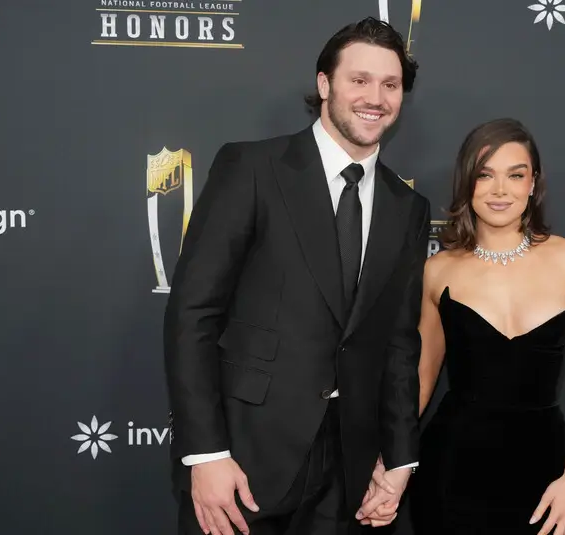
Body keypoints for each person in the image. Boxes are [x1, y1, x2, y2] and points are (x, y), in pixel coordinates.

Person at [162, 17, 430, 535]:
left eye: (390, 84)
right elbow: (193, 313)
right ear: (325, 84)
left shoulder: (407, 206)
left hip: (349, 472)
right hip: (241, 459)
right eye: (359, 79)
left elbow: (399, 342)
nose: (375, 97)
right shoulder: (253, 168)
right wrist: (205, 454)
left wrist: (398, 461)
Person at [408, 118, 565, 534]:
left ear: (534, 183)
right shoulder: (438, 270)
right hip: (452, 470)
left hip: (544, 471)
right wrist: (388, 461)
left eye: (516, 175)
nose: (500, 190)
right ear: (466, 184)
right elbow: (420, 380)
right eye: (485, 175)